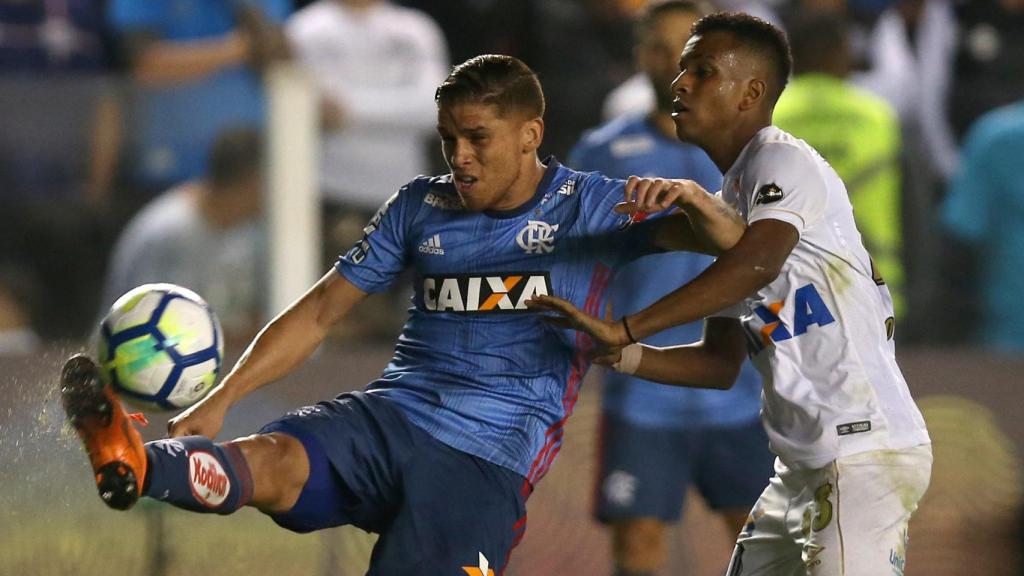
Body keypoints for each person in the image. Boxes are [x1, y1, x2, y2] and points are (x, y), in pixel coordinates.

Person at [59, 54, 747, 575]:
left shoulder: (594, 205)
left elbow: (734, 247)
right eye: (449, 140)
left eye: (477, 138)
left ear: (531, 133)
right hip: (390, 414)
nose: (461, 158)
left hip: (485, 459)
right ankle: (136, 463)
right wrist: (225, 395)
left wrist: (698, 199)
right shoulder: (420, 205)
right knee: (274, 461)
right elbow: (323, 310)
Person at [528, 13, 932, 575]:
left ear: (752, 93)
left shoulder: (783, 161)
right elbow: (718, 363)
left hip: (861, 453)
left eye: (702, 69)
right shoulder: (736, 203)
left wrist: (628, 325)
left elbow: (754, 264)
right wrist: (617, 351)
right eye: (682, 68)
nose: (680, 81)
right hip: (801, 468)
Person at [567, 2, 773, 575]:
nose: (676, 64)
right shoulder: (603, 152)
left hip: (740, 388)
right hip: (641, 384)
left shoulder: (760, 154)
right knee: (638, 546)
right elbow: (571, 252)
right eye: (661, 48)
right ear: (641, 56)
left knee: (763, 545)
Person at [773, 9, 906, 317]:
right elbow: (909, 207)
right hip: (870, 288)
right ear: (840, 53)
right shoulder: (878, 116)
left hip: (788, 295)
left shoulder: (769, 114)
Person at [99, 126, 266, 343]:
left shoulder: (250, 231)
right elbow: (145, 327)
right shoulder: (171, 231)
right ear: (251, 181)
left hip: (210, 362)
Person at [939, 100, 1024, 351]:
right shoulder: (999, 137)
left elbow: (961, 232)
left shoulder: (997, 135)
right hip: (1004, 340)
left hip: (1003, 338)